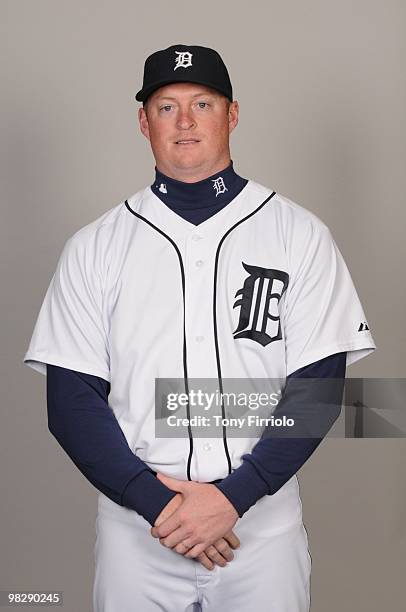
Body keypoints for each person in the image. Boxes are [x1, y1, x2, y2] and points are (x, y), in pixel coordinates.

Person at [23, 44, 376, 611]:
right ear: (144, 121)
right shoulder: (95, 246)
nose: (185, 122)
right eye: (166, 106)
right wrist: (158, 506)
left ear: (232, 114)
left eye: (203, 103)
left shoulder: (298, 234)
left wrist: (234, 498)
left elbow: (320, 388)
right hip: (139, 530)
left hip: (260, 524)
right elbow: (69, 400)